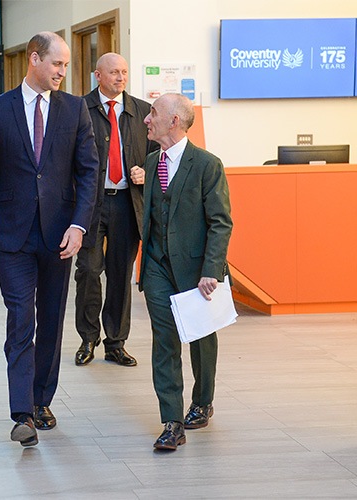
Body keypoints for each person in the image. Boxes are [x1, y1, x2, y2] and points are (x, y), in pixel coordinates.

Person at [0, 32, 98, 447]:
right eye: (57, 64)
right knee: (21, 316)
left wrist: (79, 225)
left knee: (52, 319)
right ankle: (22, 411)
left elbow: (88, 173)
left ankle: (43, 399)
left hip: (59, 234)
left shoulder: (75, 109)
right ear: (34, 59)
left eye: (66, 65)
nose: (63, 72)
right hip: (12, 236)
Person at [139, 93, 232, 451]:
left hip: (196, 271)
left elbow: (221, 222)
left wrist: (212, 269)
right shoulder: (150, 163)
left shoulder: (207, 164)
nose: (147, 119)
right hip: (158, 268)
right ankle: (171, 421)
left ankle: (203, 400)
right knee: (165, 342)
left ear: (173, 121)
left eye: (153, 113)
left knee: (201, 338)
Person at [74, 53, 157, 368]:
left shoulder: (142, 111)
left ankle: (116, 343)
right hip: (91, 204)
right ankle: (87, 338)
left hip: (127, 202)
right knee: (88, 271)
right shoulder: (79, 109)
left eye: (124, 72)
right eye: (113, 72)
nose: (120, 78)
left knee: (121, 274)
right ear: (98, 75)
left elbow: (158, 153)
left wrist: (146, 173)